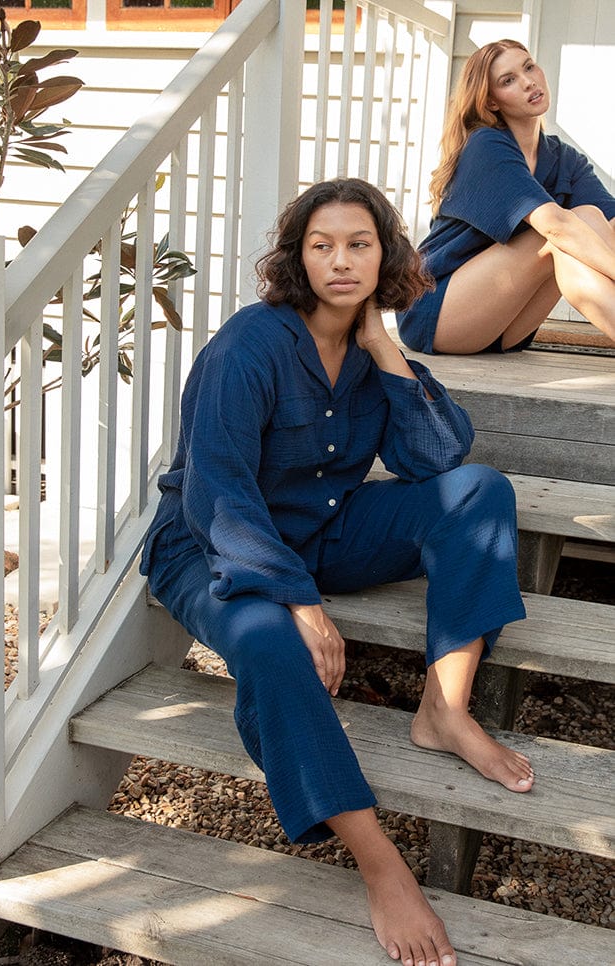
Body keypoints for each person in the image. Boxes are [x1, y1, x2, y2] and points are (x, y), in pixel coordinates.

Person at [141, 177, 534, 965]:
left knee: (480, 490)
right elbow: (218, 493)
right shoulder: (250, 344)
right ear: (300, 258)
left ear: (384, 254)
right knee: (266, 641)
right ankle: (380, 865)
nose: (341, 261)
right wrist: (299, 602)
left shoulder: (369, 348)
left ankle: (444, 709)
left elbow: (436, 457)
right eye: (322, 246)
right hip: (212, 543)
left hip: (326, 529)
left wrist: (388, 352)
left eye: (359, 244)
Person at [396, 39, 615, 355]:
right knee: (554, 236)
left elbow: (608, 226)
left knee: (590, 217)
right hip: (435, 312)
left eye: (528, 67)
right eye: (508, 80)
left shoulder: (564, 158)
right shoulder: (486, 146)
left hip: (505, 327)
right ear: (493, 102)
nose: (528, 82)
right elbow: (554, 226)